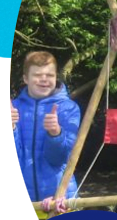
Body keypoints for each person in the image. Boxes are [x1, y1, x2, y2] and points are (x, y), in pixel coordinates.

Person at [11, 51, 81, 210]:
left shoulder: (68, 109)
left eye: (49, 75)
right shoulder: (14, 108)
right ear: (25, 78)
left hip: (60, 199)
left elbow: (59, 159)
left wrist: (55, 133)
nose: (44, 79)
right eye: (37, 75)